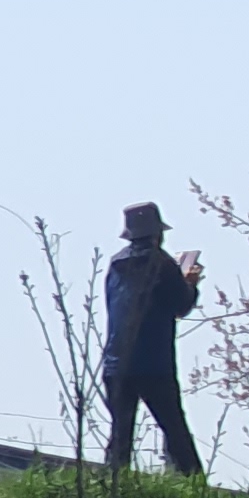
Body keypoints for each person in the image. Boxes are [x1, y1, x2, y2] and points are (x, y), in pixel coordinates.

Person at [101, 201, 204, 476]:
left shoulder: (115, 264)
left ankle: (113, 484)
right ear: (158, 234)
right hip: (153, 362)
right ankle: (196, 487)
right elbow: (180, 304)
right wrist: (190, 284)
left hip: (115, 361)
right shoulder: (162, 263)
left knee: (120, 434)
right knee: (175, 428)